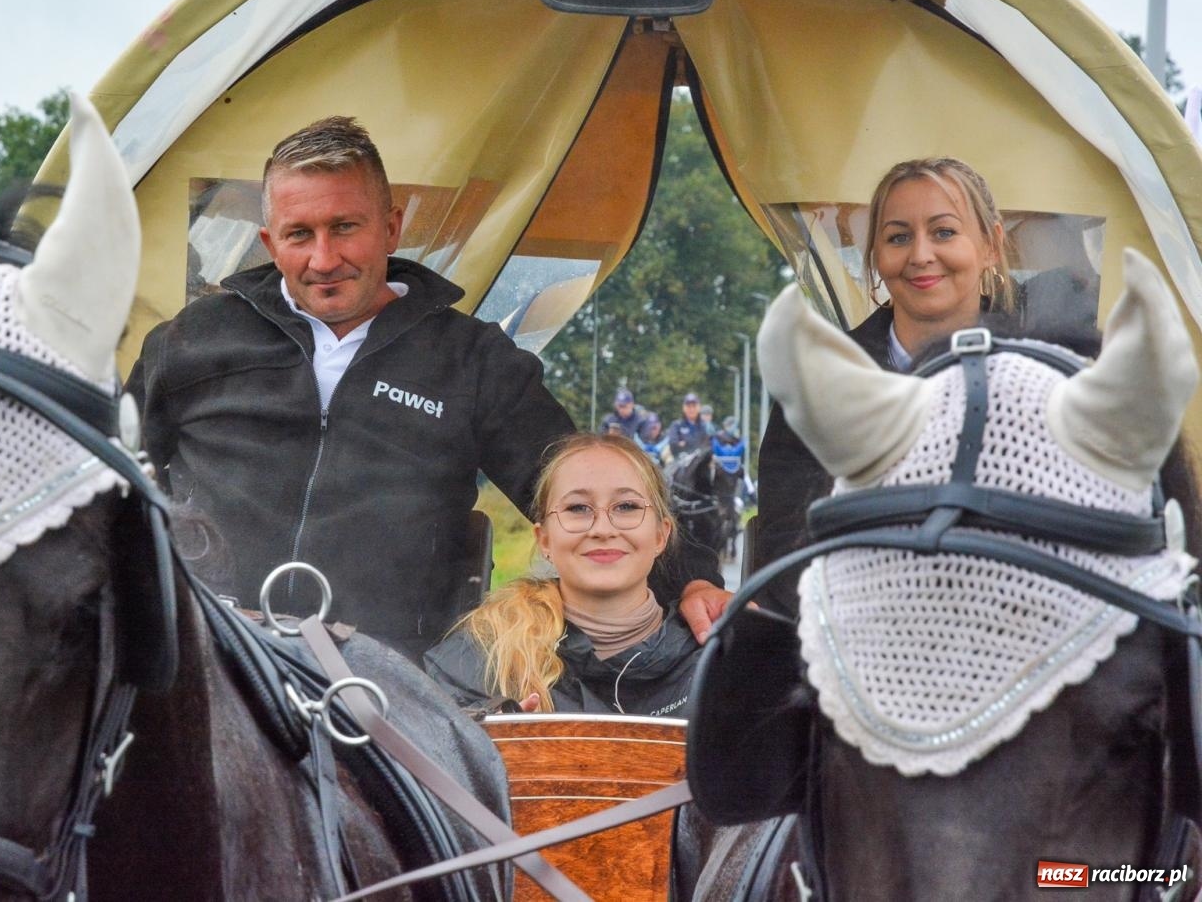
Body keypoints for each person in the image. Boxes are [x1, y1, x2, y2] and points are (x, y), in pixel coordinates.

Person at [129, 117, 726, 659]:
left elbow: (575, 487)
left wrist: (693, 579)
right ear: (269, 243)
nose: (324, 258)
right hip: (209, 653)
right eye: (299, 235)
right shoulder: (189, 342)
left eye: (345, 227)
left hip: (396, 673)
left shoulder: (473, 360)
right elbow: (109, 476)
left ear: (391, 229)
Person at [747, 156, 1014, 614]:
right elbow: (789, 547)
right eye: (898, 237)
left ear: (990, 244)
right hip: (857, 630)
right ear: (875, 255)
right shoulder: (818, 383)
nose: (921, 255)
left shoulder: (1045, 373)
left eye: (944, 232)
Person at [424, 434, 703, 716]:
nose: (603, 529)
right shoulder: (479, 660)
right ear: (544, 539)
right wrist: (485, 735)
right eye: (578, 508)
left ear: (660, 535)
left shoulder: (717, 659)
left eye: (626, 506)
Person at [665, 393, 710, 458]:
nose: (691, 409)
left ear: (699, 408)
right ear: (684, 408)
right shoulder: (676, 425)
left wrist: (685, 443)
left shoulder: (704, 426)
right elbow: (673, 445)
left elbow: (707, 445)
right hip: (681, 460)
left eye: (694, 406)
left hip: (701, 459)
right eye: (688, 406)